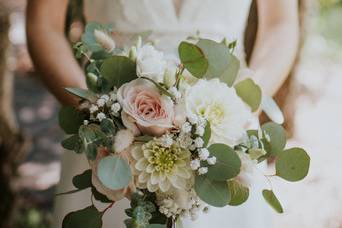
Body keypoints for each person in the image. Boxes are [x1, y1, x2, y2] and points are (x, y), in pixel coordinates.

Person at [26, 0, 300, 227]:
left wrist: (242, 105)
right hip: (108, 141)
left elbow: (280, 23)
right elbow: (44, 23)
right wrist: (98, 110)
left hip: (227, 130)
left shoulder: (235, 116)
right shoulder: (103, 120)